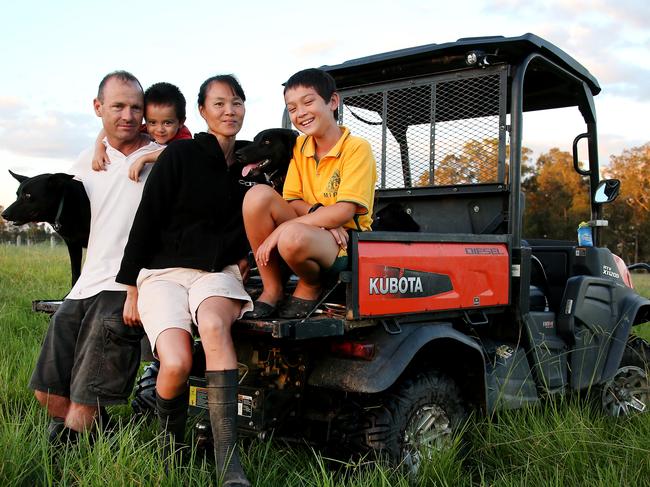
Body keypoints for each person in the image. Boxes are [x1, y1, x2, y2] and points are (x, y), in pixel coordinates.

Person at [116, 74, 253, 486]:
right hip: (163, 273)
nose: (229, 111)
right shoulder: (179, 157)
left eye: (237, 102)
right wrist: (132, 287)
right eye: (219, 104)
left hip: (217, 274)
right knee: (175, 362)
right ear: (202, 112)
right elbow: (146, 221)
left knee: (213, 325)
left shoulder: (251, 164)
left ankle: (228, 464)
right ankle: (170, 449)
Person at [29, 71, 165, 442]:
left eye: (136, 107)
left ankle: (74, 461)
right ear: (97, 107)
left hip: (125, 285)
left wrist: (138, 286)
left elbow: (193, 150)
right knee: (48, 392)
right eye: (118, 106)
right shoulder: (84, 163)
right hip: (85, 285)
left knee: (85, 399)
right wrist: (97, 143)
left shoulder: (163, 159)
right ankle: (98, 438)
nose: (128, 115)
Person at [242, 68, 377, 319]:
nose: (300, 113)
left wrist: (285, 229)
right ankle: (272, 289)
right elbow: (291, 200)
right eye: (292, 108)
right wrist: (320, 217)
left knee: (292, 236)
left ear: (332, 102)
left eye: (308, 102)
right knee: (257, 196)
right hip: (317, 229)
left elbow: (344, 211)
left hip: (345, 242)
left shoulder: (357, 148)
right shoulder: (302, 146)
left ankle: (311, 284)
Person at [92, 82, 192, 181]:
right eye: (152, 122)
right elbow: (106, 130)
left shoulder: (182, 134)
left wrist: (144, 158)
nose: (159, 129)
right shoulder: (144, 128)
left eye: (167, 123)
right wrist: (99, 150)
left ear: (181, 122)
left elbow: (175, 151)